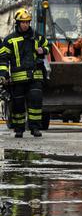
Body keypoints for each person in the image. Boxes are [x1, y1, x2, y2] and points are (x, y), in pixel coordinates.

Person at [0, 8, 49, 138]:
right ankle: (19, 129)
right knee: (18, 106)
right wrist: (3, 74)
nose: (26, 24)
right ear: (17, 23)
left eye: (27, 22)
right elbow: (3, 59)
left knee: (36, 103)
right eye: (23, 22)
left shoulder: (37, 36)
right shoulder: (9, 40)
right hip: (17, 79)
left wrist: (43, 50)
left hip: (35, 76)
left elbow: (47, 46)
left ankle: (35, 128)